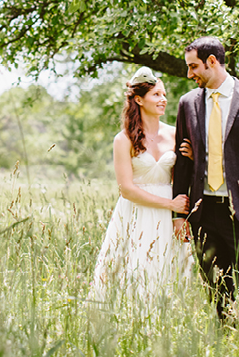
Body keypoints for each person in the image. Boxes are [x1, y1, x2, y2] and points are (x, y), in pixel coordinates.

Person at [172, 37, 239, 322]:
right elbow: (182, 163)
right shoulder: (187, 103)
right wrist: (178, 214)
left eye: (193, 66)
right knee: (217, 288)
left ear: (212, 61)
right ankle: (229, 341)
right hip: (203, 211)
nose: (189, 74)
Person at [90, 66, 190, 302]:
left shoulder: (175, 134)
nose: (163, 99)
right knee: (135, 269)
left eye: (164, 94)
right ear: (139, 99)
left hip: (170, 217)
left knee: (169, 271)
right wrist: (170, 204)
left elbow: (183, 176)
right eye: (156, 94)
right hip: (136, 212)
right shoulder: (123, 139)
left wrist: (192, 158)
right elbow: (126, 189)